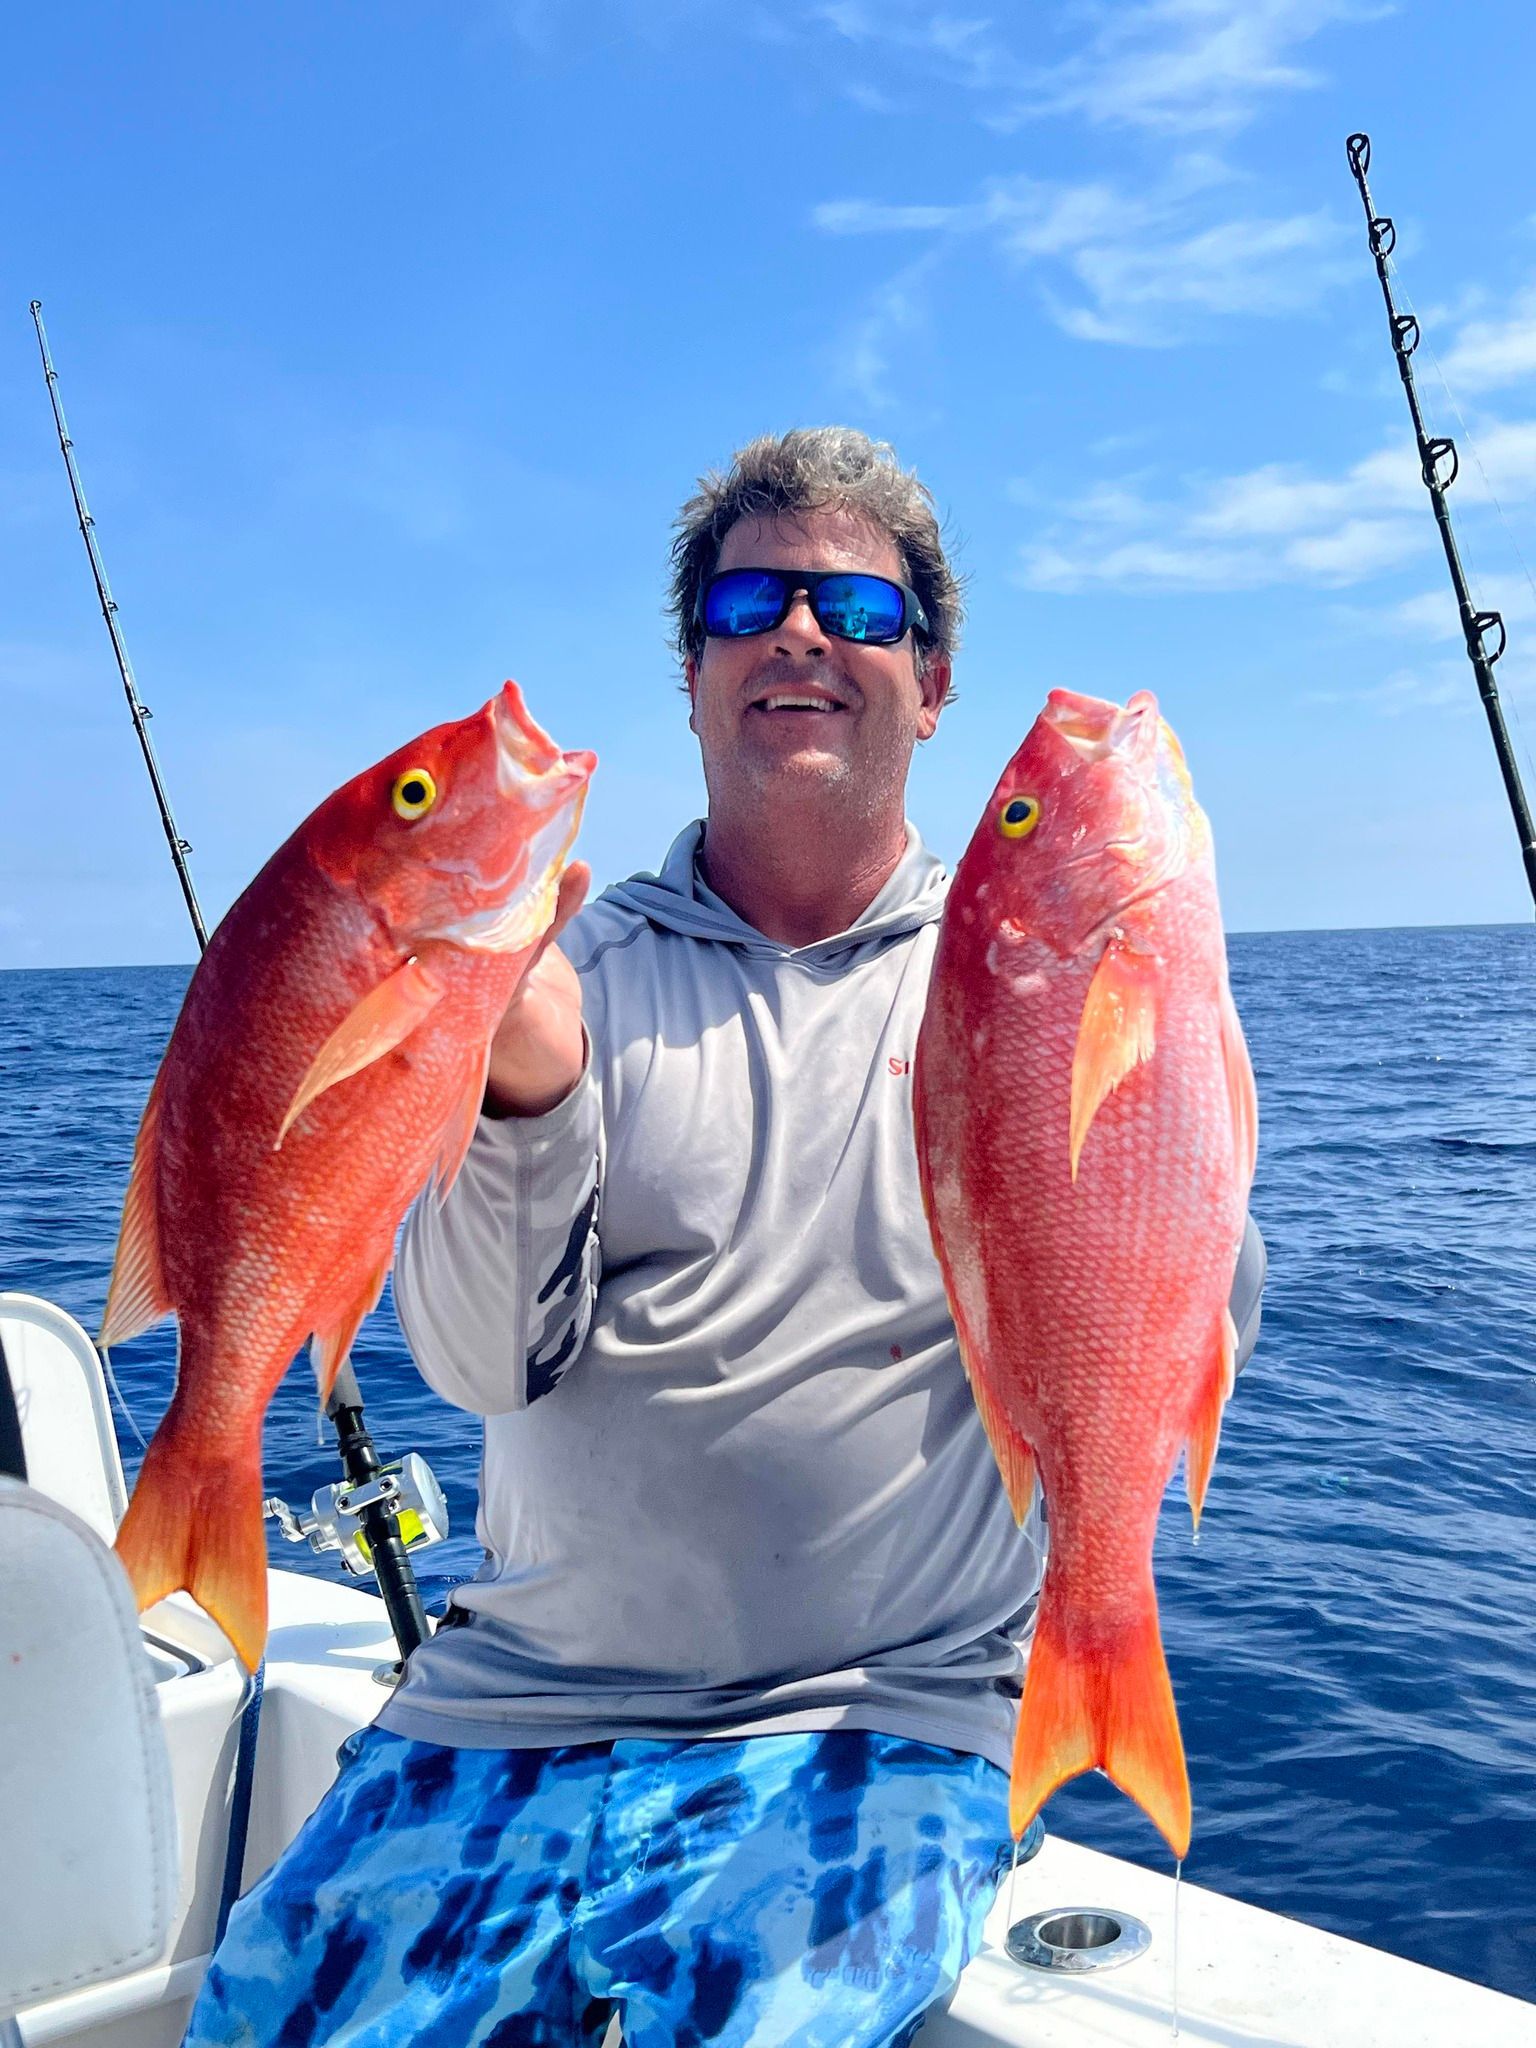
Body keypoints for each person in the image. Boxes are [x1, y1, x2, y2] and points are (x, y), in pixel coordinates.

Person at [186, 428, 1265, 2048]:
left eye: (859, 607)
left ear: (933, 678)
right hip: (511, 1705)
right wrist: (526, 1097)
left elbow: (1159, 1285)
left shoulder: (1006, 969)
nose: (801, 634)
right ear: (691, 678)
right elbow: (479, 1361)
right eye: (750, 601)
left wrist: (1172, 1056)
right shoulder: (563, 968)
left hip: (878, 1720)